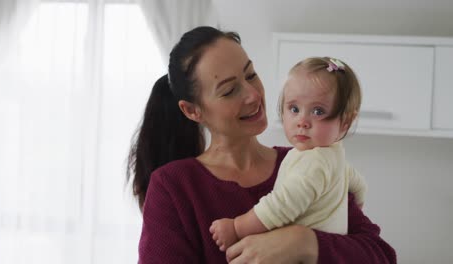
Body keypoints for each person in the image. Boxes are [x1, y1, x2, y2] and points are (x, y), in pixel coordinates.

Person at [127, 26, 397, 263]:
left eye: (251, 74)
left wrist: (304, 243)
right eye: (230, 90)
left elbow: (381, 255)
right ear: (192, 110)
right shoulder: (174, 187)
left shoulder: (310, 161)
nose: (253, 95)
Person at [209, 57, 368, 251]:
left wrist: (236, 227)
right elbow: (358, 184)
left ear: (345, 122)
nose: (302, 121)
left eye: (318, 111)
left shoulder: (315, 162)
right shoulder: (333, 157)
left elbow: (281, 206)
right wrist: (357, 205)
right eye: (294, 108)